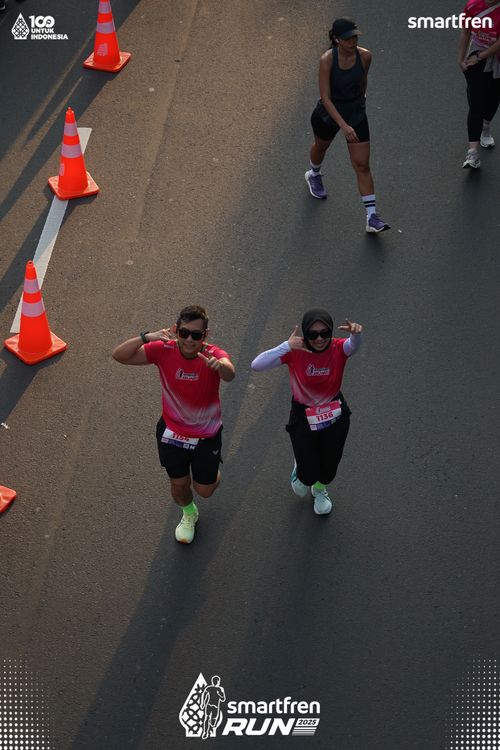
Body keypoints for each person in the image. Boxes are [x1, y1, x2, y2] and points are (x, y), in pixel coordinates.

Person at [112, 305, 235, 544]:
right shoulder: (163, 350)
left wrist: (220, 367)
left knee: (205, 490)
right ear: (175, 330)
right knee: (179, 484)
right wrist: (146, 337)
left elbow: (230, 373)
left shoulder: (212, 355)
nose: (189, 340)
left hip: (206, 437)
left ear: (205, 336)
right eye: (184, 333)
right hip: (172, 433)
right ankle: (189, 513)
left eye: (196, 335)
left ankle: (208, 475)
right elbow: (119, 355)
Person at [251, 309, 362, 515]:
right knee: (307, 476)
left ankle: (319, 490)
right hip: (303, 416)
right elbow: (256, 365)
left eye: (324, 333)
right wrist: (286, 346)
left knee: (329, 466)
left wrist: (356, 334)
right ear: (305, 334)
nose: (319, 339)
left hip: (334, 413)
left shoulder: (338, 348)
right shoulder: (295, 350)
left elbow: (353, 346)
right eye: (312, 334)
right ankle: (300, 471)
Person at [304, 17, 390, 233]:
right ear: (336, 40)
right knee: (320, 147)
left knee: (362, 165)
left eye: (355, 37)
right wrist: (343, 125)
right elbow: (325, 98)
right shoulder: (327, 60)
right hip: (328, 114)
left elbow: (362, 81)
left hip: (355, 113)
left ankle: (372, 217)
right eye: (347, 38)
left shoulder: (366, 56)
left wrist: (360, 102)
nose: (353, 42)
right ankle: (313, 174)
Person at [459, 0, 500, 168]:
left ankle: (486, 126)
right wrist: (461, 59)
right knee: (476, 103)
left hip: (495, 60)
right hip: (476, 55)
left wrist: (480, 57)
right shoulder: (472, 6)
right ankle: (473, 153)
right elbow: (465, 31)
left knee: (493, 98)